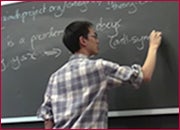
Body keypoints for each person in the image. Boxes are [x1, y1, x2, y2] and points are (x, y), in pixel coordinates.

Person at [37, 21, 162, 129]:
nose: (97, 41)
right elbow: (144, 75)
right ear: (83, 40)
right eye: (94, 36)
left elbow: (48, 117)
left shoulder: (55, 77)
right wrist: (153, 46)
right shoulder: (99, 68)